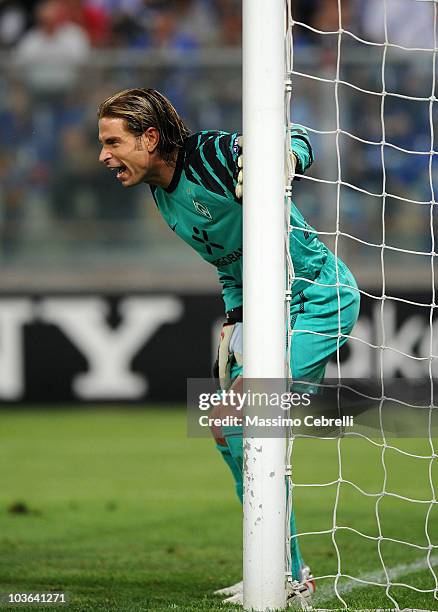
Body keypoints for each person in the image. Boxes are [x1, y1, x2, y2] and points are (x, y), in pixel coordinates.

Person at [97, 88, 360, 605]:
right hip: (262, 312)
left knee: (244, 419)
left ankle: (288, 576)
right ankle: (269, 563)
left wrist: (282, 161)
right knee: (223, 425)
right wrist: (235, 317)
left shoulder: (210, 154)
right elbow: (228, 260)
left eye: (112, 141)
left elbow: (299, 137)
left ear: (150, 138)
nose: (103, 155)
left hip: (315, 297)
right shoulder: (162, 195)